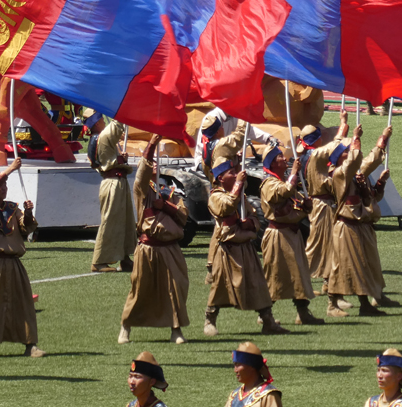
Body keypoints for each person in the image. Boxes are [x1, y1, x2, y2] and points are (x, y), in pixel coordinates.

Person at [204, 152, 287, 337]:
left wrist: (249, 224)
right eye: (231, 173)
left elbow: (254, 216)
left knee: (258, 284)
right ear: (220, 178)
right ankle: (210, 319)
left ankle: (268, 321)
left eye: (236, 172)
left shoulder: (242, 196)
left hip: (246, 248)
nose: (236, 175)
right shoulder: (215, 196)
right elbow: (226, 206)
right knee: (221, 286)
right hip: (227, 250)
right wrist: (239, 184)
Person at [119, 134, 190, 346]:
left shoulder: (170, 192)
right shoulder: (141, 190)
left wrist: (165, 206)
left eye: (156, 162)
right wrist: (152, 145)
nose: (153, 165)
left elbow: (183, 216)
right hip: (148, 247)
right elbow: (141, 174)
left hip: (170, 248)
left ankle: (176, 329)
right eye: (151, 162)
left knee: (175, 287)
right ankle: (126, 327)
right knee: (140, 288)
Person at [0, 158, 44, 358]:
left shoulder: (12, 208)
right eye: (0, 186)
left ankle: (30, 344)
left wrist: (29, 213)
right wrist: (11, 169)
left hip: (13, 262)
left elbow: (26, 227)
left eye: (5, 186)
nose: (4, 188)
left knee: (23, 302)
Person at [326, 123, 393, 317]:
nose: (353, 153)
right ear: (340, 157)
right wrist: (355, 137)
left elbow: (368, 161)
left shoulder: (354, 175)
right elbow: (357, 160)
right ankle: (333, 304)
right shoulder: (339, 175)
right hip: (347, 227)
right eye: (347, 152)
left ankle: (368, 301)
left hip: (361, 225)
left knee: (365, 264)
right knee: (346, 266)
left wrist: (383, 139)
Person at [259, 142, 323, 325]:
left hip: (291, 234)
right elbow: (281, 194)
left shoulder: (281, 180)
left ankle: (303, 312)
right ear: (271, 163)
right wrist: (294, 173)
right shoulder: (268, 183)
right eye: (279, 157)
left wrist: (305, 207)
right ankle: (264, 315)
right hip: (278, 236)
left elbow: (293, 201)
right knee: (275, 275)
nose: (284, 159)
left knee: (299, 273)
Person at [301, 112, 349, 295]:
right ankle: (312, 280)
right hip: (323, 204)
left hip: (317, 202)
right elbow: (336, 143)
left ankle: (327, 281)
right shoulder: (315, 155)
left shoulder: (305, 155)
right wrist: (343, 124)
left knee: (323, 243)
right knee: (322, 243)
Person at [83, 108, 136, 273]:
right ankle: (99, 261)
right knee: (111, 221)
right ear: (98, 121)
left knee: (126, 220)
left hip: (116, 180)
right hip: (113, 183)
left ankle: (125, 258)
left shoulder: (96, 139)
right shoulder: (104, 136)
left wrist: (121, 159)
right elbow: (118, 124)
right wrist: (120, 105)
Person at [224, 342, 282, 407]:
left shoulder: (268, 395)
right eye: (234, 365)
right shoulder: (234, 395)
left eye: (238, 365)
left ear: (251, 366)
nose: (235, 370)